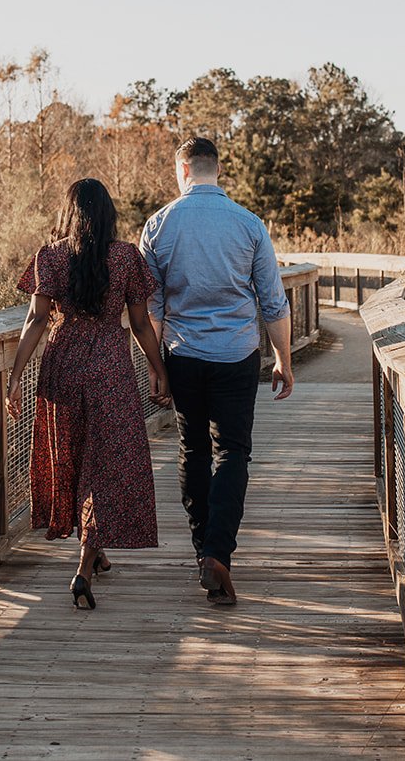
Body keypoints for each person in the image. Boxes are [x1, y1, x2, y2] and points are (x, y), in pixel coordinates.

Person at [139, 137, 293, 606]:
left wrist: (155, 369)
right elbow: (272, 299)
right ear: (216, 170)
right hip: (236, 354)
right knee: (233, 451)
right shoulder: (249, 224)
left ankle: (202, 548)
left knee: (193, 450)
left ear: (182, 170)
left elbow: (152, 307)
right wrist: (284, 357)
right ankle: (218, 553)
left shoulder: (158, 225)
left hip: (183, 355)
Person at [6, 178, 169, 610]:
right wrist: (158, 369)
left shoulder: (50, 257)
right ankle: (84, 566)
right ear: (108, 214)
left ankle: (94, 552)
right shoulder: (126, 257)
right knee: (105, 462)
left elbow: (36, 321)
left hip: (62, 368)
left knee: (74, 456)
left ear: (69, 213)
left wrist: (15, 376)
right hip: (110, 370)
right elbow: (139, 324)